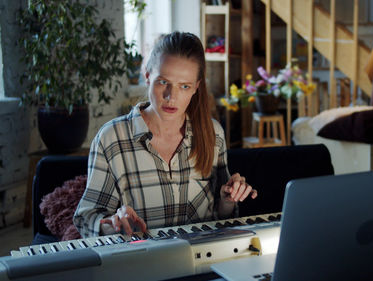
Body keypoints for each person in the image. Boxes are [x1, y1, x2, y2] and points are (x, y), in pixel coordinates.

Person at [73, 31, 257, 238]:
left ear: (196, 87)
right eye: (163, 82)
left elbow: (219, 217)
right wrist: (113, 224)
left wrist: (227, 201)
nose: (171, 96)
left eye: (184, 86)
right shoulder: (111, 138)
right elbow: (86, 217)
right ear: (148, 77)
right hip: (141, 260)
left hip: (202, 257)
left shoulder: (213, 133)